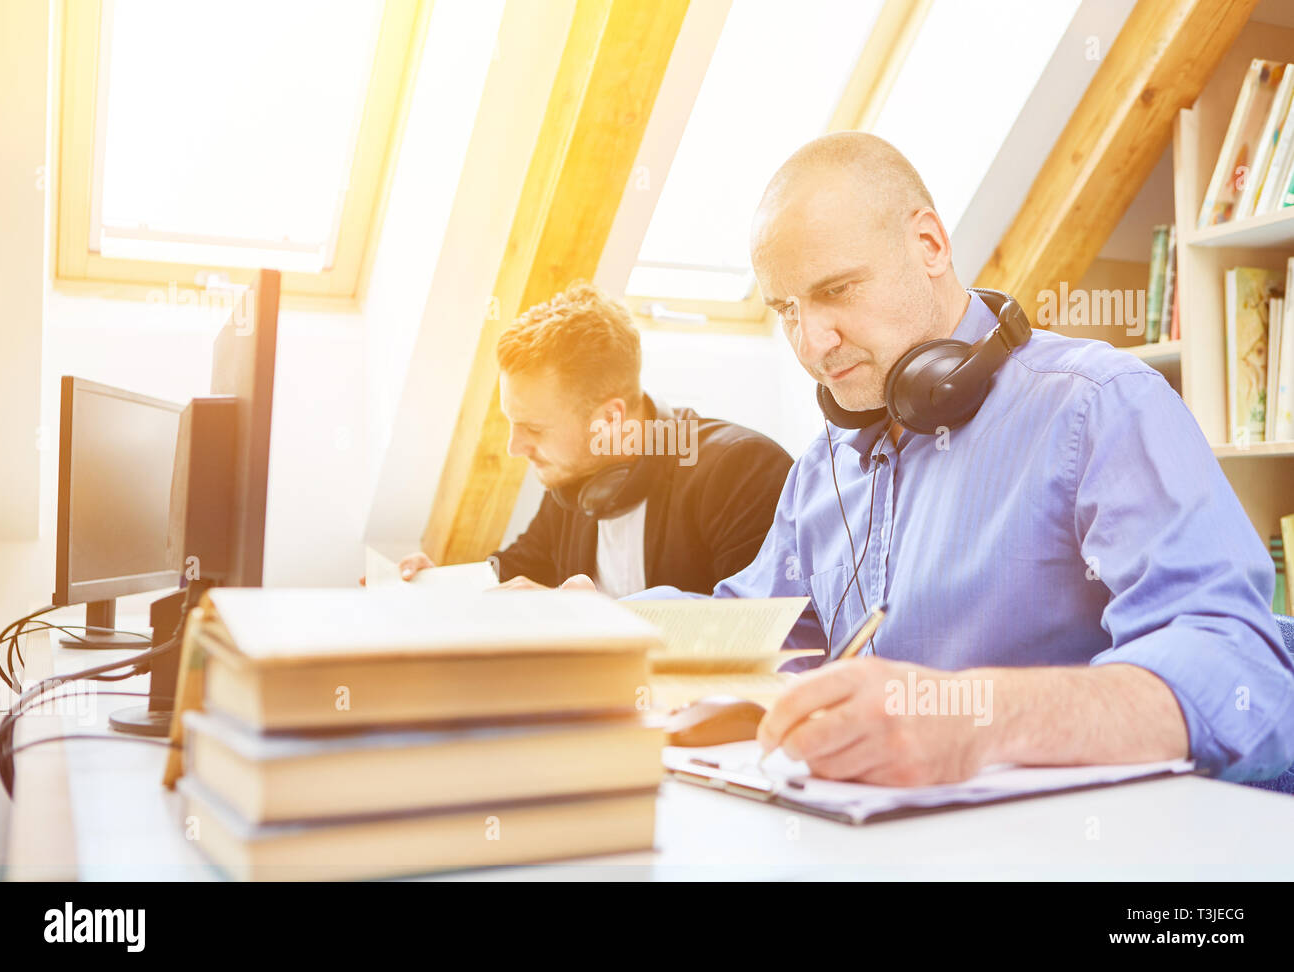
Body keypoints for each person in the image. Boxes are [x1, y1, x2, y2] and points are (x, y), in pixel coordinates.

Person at [632, 132, 1294, 786]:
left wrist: (977, 721)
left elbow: (1240, 676)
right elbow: (756, 641)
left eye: (836, 290)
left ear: (929, 246)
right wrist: (596, 626)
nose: (813, 342)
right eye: (786, 309)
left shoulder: (1097, 405)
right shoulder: (822, 468)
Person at [399, 281, 793, 596]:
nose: (514, 448)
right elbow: (518, 567)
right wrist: (437, 590)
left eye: (534, 428)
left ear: (609, 418)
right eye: (513, 424)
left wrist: (595, 623)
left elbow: (748, 635)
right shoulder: (572, 478)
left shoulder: (741, 472)